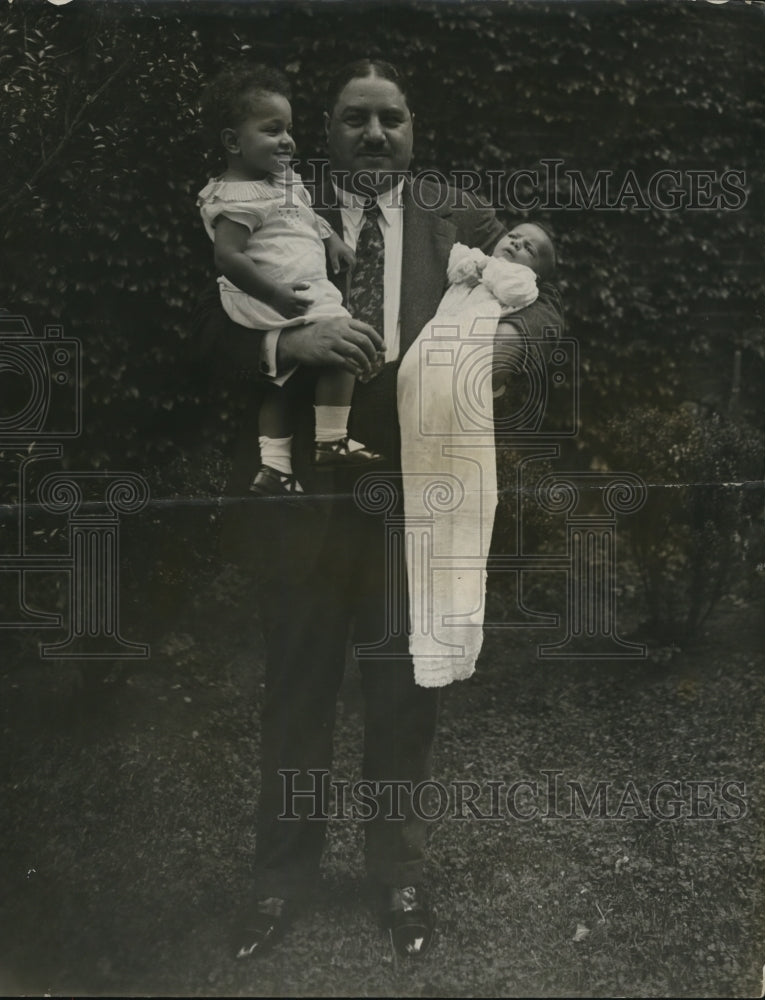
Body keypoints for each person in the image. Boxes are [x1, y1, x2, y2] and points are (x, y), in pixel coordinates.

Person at [194, 59, 563, 960]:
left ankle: (398, 875)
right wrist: (289, 338)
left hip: (414, 499)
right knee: (296, 695)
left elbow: (549, 311)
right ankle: (279, 883)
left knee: (403, 697)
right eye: (355, 119)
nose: (373, 135)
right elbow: (204, 331)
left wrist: (505, 349)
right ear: (324, 130)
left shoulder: (459, 216)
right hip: (305, 501)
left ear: (412, 128)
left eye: (390, 119)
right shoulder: (275, 202)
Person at [197, 65, 383, 497]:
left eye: (289, 129)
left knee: (282, 380)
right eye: (273, 130)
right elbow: (226, 256)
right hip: (277, 292)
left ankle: (274, 467)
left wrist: (332, 238)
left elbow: (303, 214)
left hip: (289, 290)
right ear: (232, 142)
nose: (287, 140)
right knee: (343, 343)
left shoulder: (280, 181)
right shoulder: (235, 197)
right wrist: (277, 299)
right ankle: (331, 439)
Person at [397, 224, 558, 688]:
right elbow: (454, 263)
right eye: (515, 236)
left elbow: (512, 285)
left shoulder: (516, 282)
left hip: (462, 369)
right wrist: (476, 264)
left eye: (532, 250)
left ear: (538, 271)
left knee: (463, 499)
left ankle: (448, 641)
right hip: (424, 361)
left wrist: (487, 265)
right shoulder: (468, 265)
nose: (518, 245)